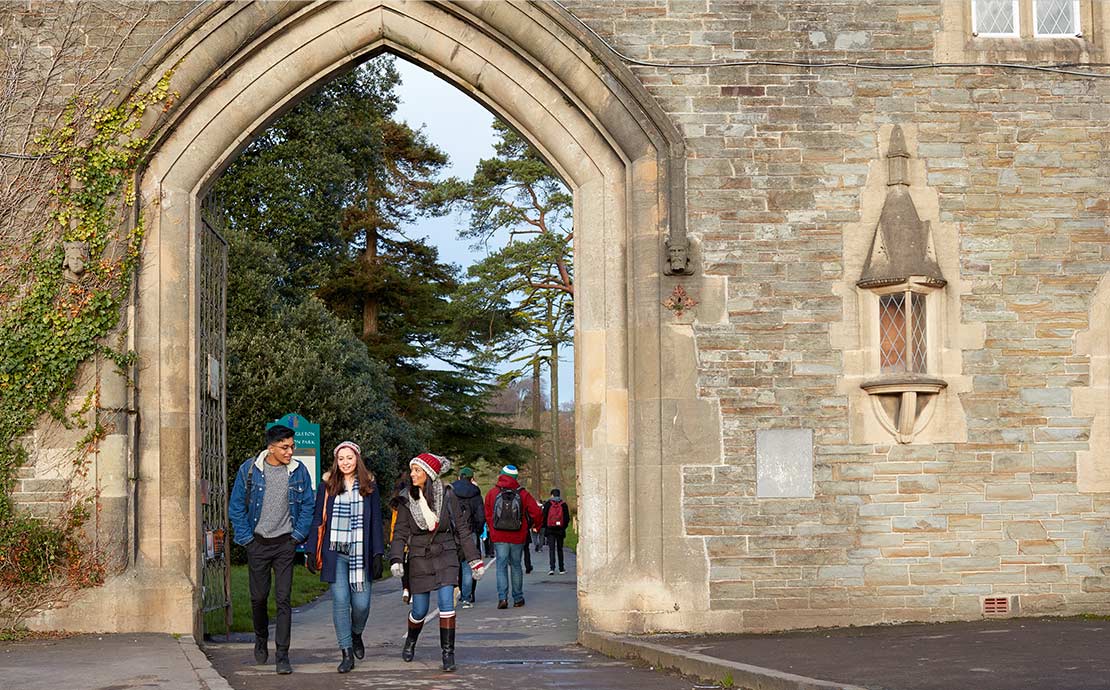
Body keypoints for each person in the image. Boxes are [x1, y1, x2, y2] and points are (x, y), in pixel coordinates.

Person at [228, 424, 316, 675]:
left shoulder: (299, 472)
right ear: (271, 448)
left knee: (283, 599)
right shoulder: (249, 470)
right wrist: (247, 540)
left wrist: (296, 537)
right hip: (258, 543)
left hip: (285, 544)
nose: (290, 452)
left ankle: (282, 655)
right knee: (258, 598)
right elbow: (236, 507)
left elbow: (308, 506)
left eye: (292, 446)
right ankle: (260, 637)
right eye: (285, 447)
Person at [389, 453, 485, 672]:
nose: (412, 474)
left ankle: (448, 655)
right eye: (412, 470)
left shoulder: (448, 494)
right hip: (419, 556)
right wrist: (396, 559)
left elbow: (461, 528)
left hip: (446, 552)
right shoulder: (406, 498)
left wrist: (474, 560)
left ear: (429, 474)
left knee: (446, 603)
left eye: (417, 471)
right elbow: (400, 532)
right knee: (420, 610)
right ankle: (411, 640)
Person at [304, 441, 384, 673]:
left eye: (349, 458)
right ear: (336, 462)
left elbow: (376, 521)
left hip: (361, 552)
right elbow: (318, 518)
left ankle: (356, 633)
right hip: (335, 552)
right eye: (341, 459)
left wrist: (378, 553)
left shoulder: (369, 485)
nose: (345, 462)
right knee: (340, 601)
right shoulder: (328, 485)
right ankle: (346, 651)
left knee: (361, 604)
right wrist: (311, 549)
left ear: (357, 459)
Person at [483, 465, 543, 609]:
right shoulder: (523, 494)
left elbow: (488, 514)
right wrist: (536, 526)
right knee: (516, 566)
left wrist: (493, 529)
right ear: (516, 478)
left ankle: (502, 598)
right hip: (517, 535)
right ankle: (518, 598)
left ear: (501, 475)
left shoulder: (492, 493)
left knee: (501, 566)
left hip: (499, 536)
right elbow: (536, 511)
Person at [450, 467, 485, 608]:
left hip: (452, 533)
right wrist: (477, 529)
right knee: (468, 565)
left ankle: (449, 596)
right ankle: (466, 598)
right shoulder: (475, 493)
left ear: (459, 477)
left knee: (452, 564)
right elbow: (480, 516)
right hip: (470, 532)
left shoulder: (450, 491)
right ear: (471, 478)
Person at [541, 488, 572, 575]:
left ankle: (552, 568)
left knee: (551, 549)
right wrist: (563, 527)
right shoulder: (563, 504)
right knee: (559, 549)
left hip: (550, 530)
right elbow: (567, 518)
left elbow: (544, 516)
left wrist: (545, 527)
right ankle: (561, 568)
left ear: (552, 495)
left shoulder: (548, 504)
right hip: (560, 531)